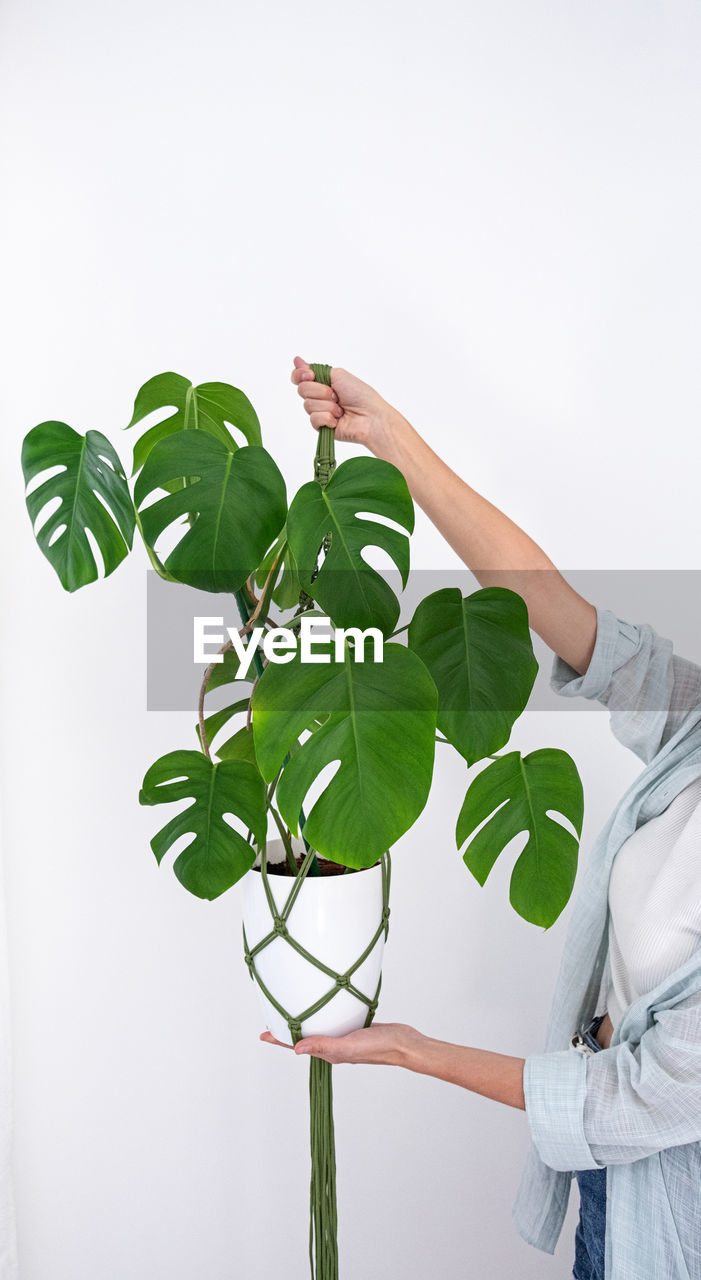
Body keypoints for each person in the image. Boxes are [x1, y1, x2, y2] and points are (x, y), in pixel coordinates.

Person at [260, 356, 701, 1280]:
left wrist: (420, 1053)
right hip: (610, 1195)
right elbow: (556, 608)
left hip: (672, 1214)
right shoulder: (693, 735)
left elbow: (632, 1101)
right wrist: (390, 440)